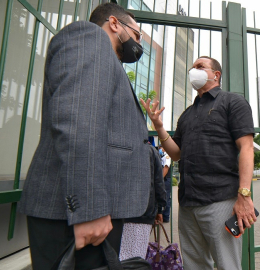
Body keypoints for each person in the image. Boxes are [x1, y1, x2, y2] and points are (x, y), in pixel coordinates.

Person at [17, 3, 150, 269]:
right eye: (137, 35)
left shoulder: (107, 59)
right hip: (80, 214)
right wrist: (90, 208)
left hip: (93, 212)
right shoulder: (90, 38)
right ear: (114, 24)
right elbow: (79, 121)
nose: (139, 43)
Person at [140, 56, 256, 270]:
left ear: (216, 75)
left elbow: (247, 148)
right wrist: (158, 127)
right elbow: (176, 154)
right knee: (195, 266)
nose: (194, 71)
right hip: (188, 204)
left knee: (227, 265)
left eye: (200, 67)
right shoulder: (186, 115)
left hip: (221, 200)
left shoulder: (233, 102)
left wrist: (244, 196)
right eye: (192, 68)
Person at [119, 144, 166, 260]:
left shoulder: (116, 144)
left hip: (116, 213)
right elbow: (158, 183)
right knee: (136, 256)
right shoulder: (150, 150)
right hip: (143, 211)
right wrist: (160, 209)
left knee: (117, 257)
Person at [159, 145, 172, 223]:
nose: (160, 149)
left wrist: (160, 180)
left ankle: (165, 217)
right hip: (164, 179)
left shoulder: (167, 156)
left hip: (166, 179)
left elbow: (166, 168)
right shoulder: (162, 156)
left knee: (166, 198)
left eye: (161, 148)